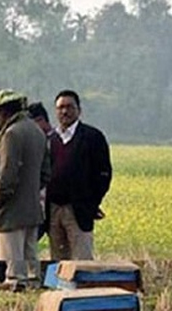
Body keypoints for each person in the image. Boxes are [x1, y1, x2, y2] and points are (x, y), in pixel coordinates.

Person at [0, 90, 50, 291]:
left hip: (10, 209)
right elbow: (46, 173)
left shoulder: (12, 134)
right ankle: (32, 284)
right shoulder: (36, 131)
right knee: (30, 255)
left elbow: (7, 176)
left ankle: (14, 284)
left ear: (4, 112)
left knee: (13, 261)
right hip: (31, 206)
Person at [47, 89, 112, 260]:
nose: (65, 111)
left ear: (79, 110)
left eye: (69, 107)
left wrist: (91, 203)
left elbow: (104, 174)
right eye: (60, 108)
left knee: (82, 260)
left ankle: (84, 287)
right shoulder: (50, 139)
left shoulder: (92, 137)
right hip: (53, 208)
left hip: (78, 210)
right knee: (58, 261)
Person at [27, 102, 54, 240]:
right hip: (37, 207)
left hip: (55, 204)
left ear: (41, 120)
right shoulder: (32, 143)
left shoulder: (57, 141)